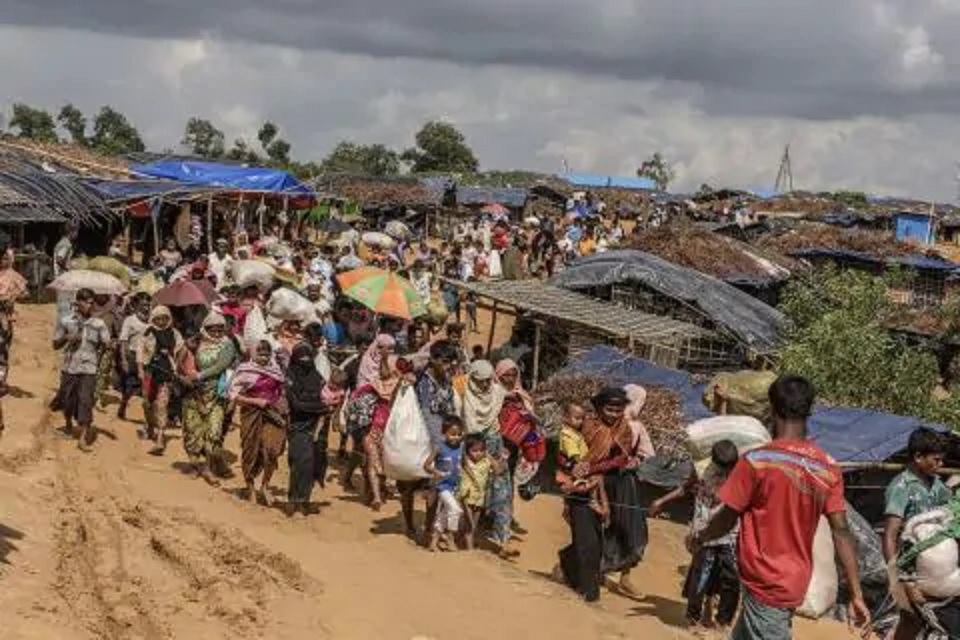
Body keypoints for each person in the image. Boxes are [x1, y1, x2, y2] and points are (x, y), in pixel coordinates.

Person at [692, 375, 870, 639]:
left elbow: (727, 518)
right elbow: (841, 531)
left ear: (772, 408)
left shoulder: (756, 461)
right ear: (810, 410)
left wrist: (700, 537)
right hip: (792, 581)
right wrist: (856, 593)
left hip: (767, 583)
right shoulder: (827, 468)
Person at [649, 440, 740, 631]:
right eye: (722, 467)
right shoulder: (701, 469)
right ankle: (693, 618)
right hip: (703, 530)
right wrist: (661, 501)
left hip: (729, 532)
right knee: (701, 575)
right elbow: (686, 488)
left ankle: (723, 619)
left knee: (730, 577)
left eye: (729, 468)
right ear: (714, 461)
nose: (725, 471)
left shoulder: (740, 474)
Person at [573, 387, 647, 597]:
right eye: (610, 409)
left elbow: (622, 458)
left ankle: (624, 578)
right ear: (599, 408)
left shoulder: (626, 429)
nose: (614, 414)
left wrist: (594, 467)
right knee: (592, 531)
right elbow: (575, 449)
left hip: (620, 484)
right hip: (589, 483)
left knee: (626, 529)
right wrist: (582, 468)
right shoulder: (587, 426)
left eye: (618, 410)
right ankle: (577, 570)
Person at [882, 427, 953, 639]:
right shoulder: (902, 487)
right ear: (918, 457)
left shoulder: (938, 487)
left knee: (921, 619)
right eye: (936, 459)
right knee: (912, 617)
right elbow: (890, 535)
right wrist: (898, 577)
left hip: (935, 567)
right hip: (910, 569)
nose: (941, 464)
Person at [398, 341, 457, 541]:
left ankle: (429, 529)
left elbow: (449, 408)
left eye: (451, 361)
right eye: (446, 361)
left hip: (439, 441)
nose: (449, 365)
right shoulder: (424, 382)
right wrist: (438, 442)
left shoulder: (446, 381)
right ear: (434, 360)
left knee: (436, 485)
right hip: (420, 440)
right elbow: (425, 414)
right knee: (409, 484)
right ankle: (409, 525)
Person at [556, 401, 609, 602]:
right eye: (577, 417)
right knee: (589, 545)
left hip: (591, 491)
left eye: (583, 417)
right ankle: (588, 593)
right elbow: (575, 462)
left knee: (594, 543)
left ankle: (570, 567)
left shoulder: (584, 435)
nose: (582, 421)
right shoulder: (568, 435)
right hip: (579, 491)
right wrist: (585, 474)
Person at [180, 311, 236, 486]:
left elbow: (220, 366)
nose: (217, 333)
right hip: (195, 394)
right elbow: (181, 361)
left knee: (213, 431)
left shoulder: (227, 345)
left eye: (220, 330)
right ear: (205, 328)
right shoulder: (196, 342)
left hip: (216, 394)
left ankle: (209, 468)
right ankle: (195, 464)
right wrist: (186, 348)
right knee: (193, 430)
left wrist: (199, 375)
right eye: (213, 330)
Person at [229, 341, 288, 506]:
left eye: (267, 355)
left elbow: (281, 390)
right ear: (253, 354)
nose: (263, 358)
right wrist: (255, 401)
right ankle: (250, 487)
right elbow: (233, 395)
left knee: (272, 449)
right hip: (251, 414)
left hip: (273, 413)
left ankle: (265, 486)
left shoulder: (276, 370)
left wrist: (281, 403)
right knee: (250, 450)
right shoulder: (244, 370)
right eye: (260, 354)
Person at [52, 288, 111, 451]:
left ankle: (83, 437)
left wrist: (107, 346)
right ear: (77, 302)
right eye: (86, 302)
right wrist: (67, 338)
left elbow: (106, 344)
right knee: (68, 399)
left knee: (85, 400)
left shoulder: (98, 324)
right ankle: (68, 423)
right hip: (69, 367)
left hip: (89, 368)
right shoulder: (66, 321)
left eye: (91, 302)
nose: (89, 305)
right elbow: (55, 344)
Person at [286, 343, 329, 517]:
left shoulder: (317, 377)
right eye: (301, 358)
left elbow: (327, 397)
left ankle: (305, 500)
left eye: (308, 357)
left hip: (318, 426)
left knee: (316, 464)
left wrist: (320, 408)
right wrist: (320, 407)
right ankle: (295, 502)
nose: (305, 360)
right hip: (298, 426)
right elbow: (296, 405)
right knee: (300, 463)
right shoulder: (290, 377)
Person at [138, 305, 182, 455]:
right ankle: (150, 425)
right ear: (153, 319)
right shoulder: (148, 332)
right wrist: (140, 369)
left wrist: (170, 354)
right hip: (149, 373)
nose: (161, 322)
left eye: (164, 318)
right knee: (147, 403)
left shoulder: (175, 334)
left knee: (162, 405)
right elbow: (140, 351)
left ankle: (160, 439)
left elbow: (181, 351)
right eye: (158, 319)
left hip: (166, 373)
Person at [424, 416, 465, 552]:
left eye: (459, 434)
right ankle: (450, 538)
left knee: (443, 515)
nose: (456, 437)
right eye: (452, 434)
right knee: (456, 510)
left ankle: (433, 542)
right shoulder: (439, 448)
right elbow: (426, 465)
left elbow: (462, 464)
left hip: (454, 486)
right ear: (444, 433)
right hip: (442, 486)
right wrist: (436, 472)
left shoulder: (461, 447)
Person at [457, 433, 493, 551]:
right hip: (466, 496)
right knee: (470, 524)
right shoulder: (465, 462)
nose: (478, 453)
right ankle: (470, 550)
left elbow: (498, 469)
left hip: (479, 498)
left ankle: (462, 539)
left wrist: (490, 456)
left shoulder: (485, 462)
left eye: (481, 450)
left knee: (474, 524)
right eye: (474, 450)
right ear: (467, 451)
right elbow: (462, 457)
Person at [117, 296, 150, 421]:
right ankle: (123, 404)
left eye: (147, 304)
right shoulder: (130, 320)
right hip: (132, 356)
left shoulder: (152, 321)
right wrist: (124, 360)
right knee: (130, 387)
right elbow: (123, 341)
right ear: (137, 305)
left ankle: (149, 420)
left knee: (147, 388)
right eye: (143, 304)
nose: (146, 307)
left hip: (147, 358)